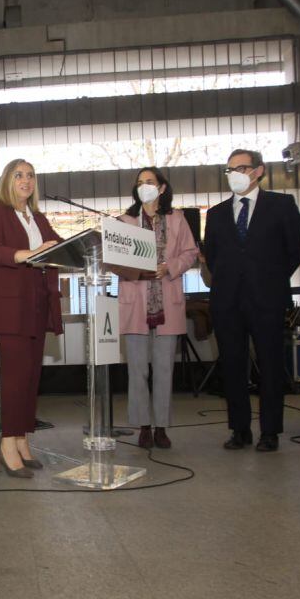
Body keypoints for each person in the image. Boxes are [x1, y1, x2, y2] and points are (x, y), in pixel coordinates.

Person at [203, 149, 300, 452]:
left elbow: (295, 250)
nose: (235, 173)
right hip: (228, 301)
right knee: (233, 366)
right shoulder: (217, 213)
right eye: (230, 169)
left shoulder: (281, 205)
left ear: (258, 171)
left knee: (271, 366)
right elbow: (213, 256)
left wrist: (269, 279)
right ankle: (240, 429)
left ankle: (270, 431)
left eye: (242, 168)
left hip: (267, 298)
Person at [0, 158, 63, 478]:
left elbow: (58, 247)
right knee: (15, 379)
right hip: (10, 307)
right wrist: (27, 254)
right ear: (7, 181)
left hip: (37, 304)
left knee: (31, 379)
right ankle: (6, 444)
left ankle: (22, 438)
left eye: (30, 175)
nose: (26, 180)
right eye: (19, 175)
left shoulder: (39, 218)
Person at [113, 167, 198, 449]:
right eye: (140, 183)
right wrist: (134, 270)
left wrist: (169, 267)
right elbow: (112, 260)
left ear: (162, 188)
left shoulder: (177, 219)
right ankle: (143, 426)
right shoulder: (124, 221)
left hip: (167, 302)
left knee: (164, 369)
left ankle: (162, 426)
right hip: (135, 302)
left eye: (150, 182)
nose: (144, 186)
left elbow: (190, 252)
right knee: (137, 370)